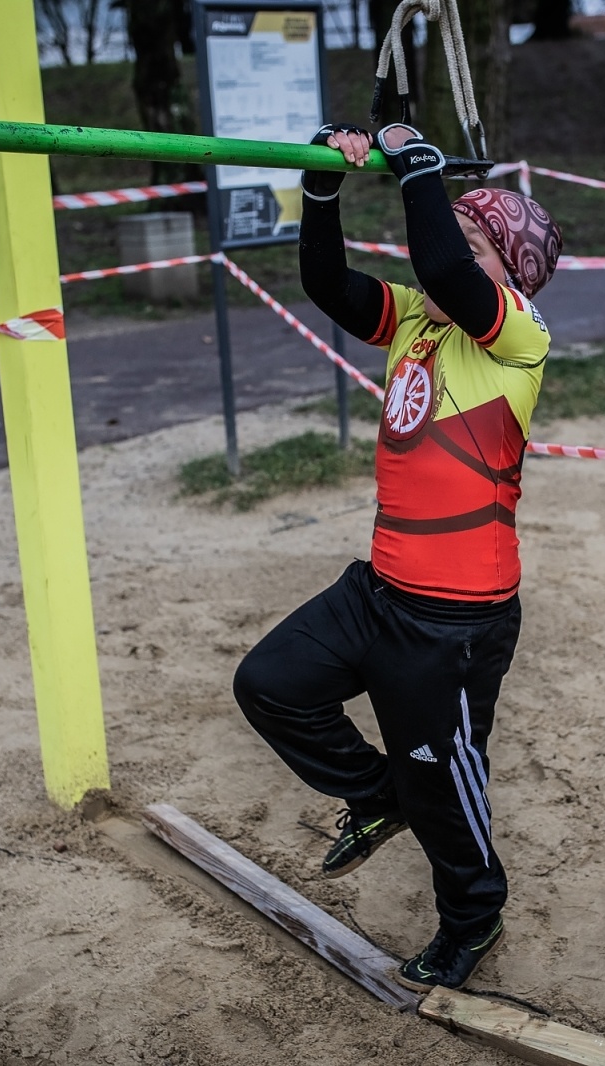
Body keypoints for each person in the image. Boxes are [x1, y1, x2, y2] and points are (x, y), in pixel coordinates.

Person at [233, 121, 562, 991]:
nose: (451, 251)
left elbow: (445, 268)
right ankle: (374, 796)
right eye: (449, 228)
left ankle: (473, 913)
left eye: (476, 241)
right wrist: (321, 187)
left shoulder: (518, 336)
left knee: (443, 785)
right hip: (378, 588)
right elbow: (327, 283)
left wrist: (416, 164)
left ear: (513, 273)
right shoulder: (421, 317)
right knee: (270, 685)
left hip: (457, 618)